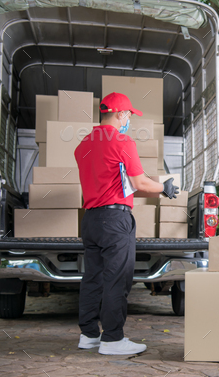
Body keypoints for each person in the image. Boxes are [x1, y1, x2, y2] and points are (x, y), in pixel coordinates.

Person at [74, 92, 179, 355]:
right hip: (115, 220)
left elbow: (120, 184)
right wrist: (164, 188)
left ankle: (88, 335)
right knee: (117, 280)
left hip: (91, 219)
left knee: (93, 278)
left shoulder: (83, 145)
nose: (129, 120)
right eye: (129, 115)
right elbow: (139, 183)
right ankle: (112, 339)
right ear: (120, 113)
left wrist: (153, 187)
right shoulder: (121, 141)